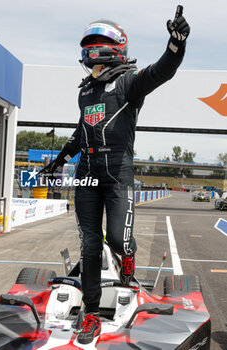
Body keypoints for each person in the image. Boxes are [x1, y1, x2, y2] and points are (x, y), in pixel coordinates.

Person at [39, 6, 190, 344]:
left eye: (99, 43)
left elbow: (161, 72)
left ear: (118, 46)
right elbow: (81, 131)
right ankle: (91, 313)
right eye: (89, 44)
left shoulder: (129, 83)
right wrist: (61, 158)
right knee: (90, 248)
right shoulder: (85, 92)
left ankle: (129, 258)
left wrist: (176, 45)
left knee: (119, 242)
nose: (93, 50)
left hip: (119, 177)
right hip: (87, 179)